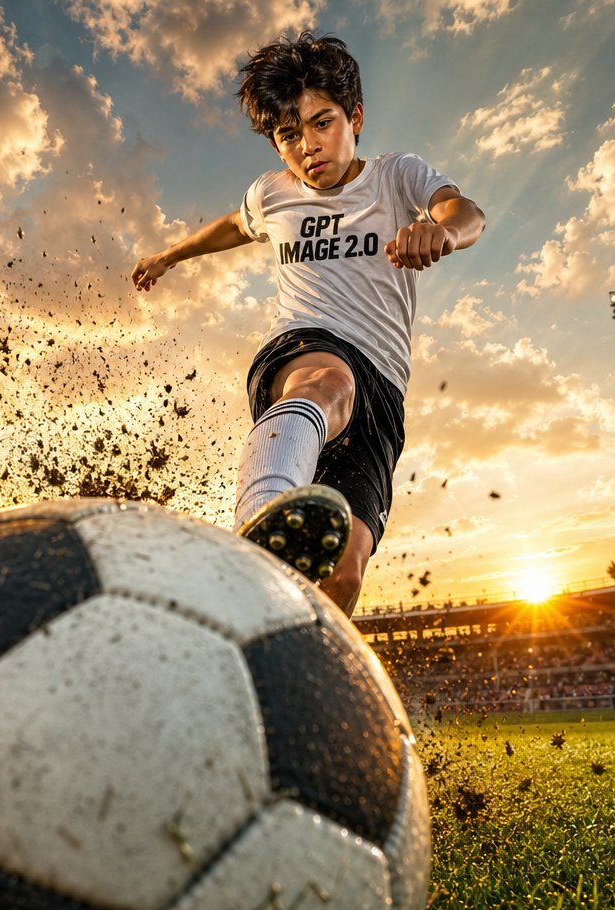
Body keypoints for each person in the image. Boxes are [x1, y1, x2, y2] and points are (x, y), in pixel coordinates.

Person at [131, 32, 485, 616]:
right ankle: (258, 522)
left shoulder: (396, 177)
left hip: (383, 391)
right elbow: (227, 226)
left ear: (356, 118)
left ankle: (290, 682)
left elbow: (464, 211)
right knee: (329, 384)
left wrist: (442, 231)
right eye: (288, 136)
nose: (308, 147)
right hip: (305, 349)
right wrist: (171, 255)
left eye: (322, 123)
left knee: (343, 573)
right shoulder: (273, 194)